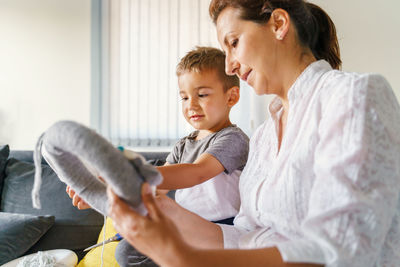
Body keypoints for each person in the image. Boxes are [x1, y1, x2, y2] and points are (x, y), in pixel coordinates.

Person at [106, 0, 400, 267]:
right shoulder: (263, 137)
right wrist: (164, 210)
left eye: (233, 43)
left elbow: (344, 247)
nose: (229, 64)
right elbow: (245, 238)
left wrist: (183, 257)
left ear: (278, 24)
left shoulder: (353, 95)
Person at [67, 47, 249, 266]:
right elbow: (155, 187)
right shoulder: (184, 145)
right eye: (184, 97)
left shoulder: (233, 138)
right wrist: (104, 191)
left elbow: (197, 173)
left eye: (202, 95)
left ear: (232, 97)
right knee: (127, 251)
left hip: (221, 229)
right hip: (183, 226)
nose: (190, 105)